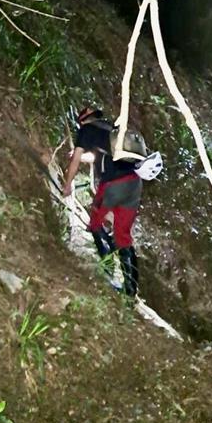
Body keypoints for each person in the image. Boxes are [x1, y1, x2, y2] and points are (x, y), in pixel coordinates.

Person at [63, 106, 148, 298]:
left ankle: (107, 269)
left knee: (95, 224)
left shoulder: (85, 130)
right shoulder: (112, 131)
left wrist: (68, 184)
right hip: (134, 184)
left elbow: (76, 160)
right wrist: (83, 156)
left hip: (112, 185)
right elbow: (98, 156)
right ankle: (130, 290)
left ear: (82, 121)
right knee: (123, 235)